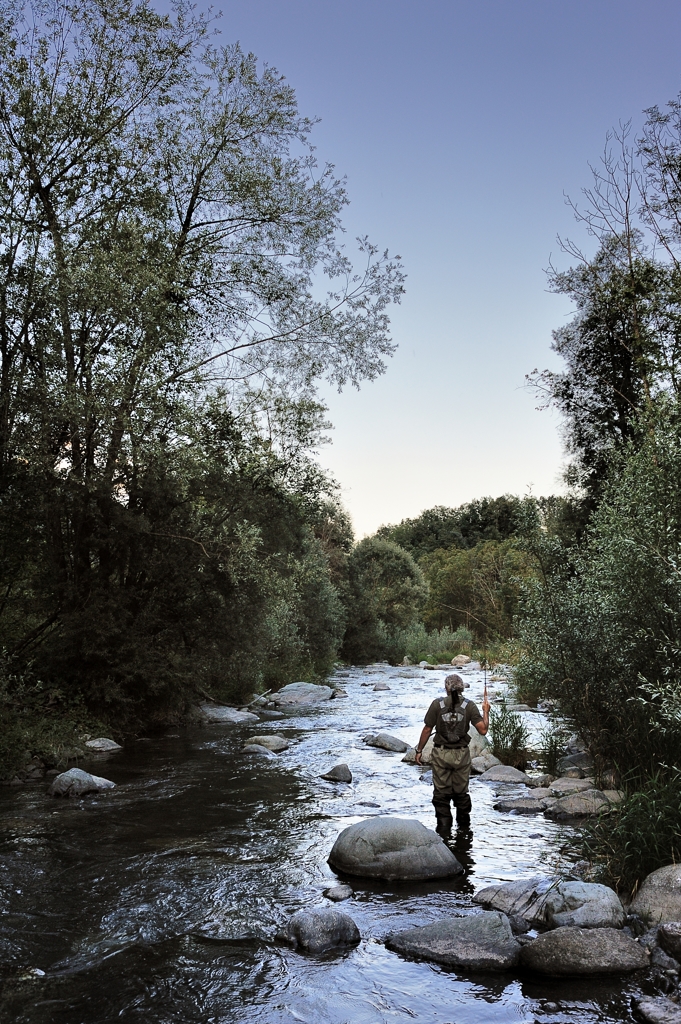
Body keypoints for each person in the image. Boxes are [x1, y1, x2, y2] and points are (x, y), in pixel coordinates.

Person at [414, 672, 490, 836]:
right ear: (461, 688)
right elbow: (483, 730)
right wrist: (486, 711)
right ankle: (464, 831)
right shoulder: (469, 706)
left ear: (446, 688)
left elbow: (427, 729)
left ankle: (443, 831)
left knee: (441, 794)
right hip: (461, 755)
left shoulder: (437, 704)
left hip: (441, 754)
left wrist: (419, 751)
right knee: (461, 794)